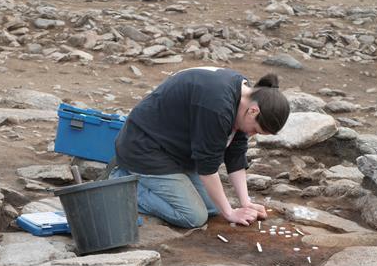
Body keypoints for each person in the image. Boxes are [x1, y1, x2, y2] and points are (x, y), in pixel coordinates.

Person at [110, 67, 290, 228]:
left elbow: (236, 153)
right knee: (193, 216)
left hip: (175, 151)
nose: (251, 134)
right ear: (254, 111)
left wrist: (246, 203)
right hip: (145, 149)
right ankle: (122, 187)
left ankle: (148, 181)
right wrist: (229, 213)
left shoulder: (245, 99)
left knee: (212, 208)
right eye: (255, 130)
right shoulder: (217, 106)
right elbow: (207, 167)